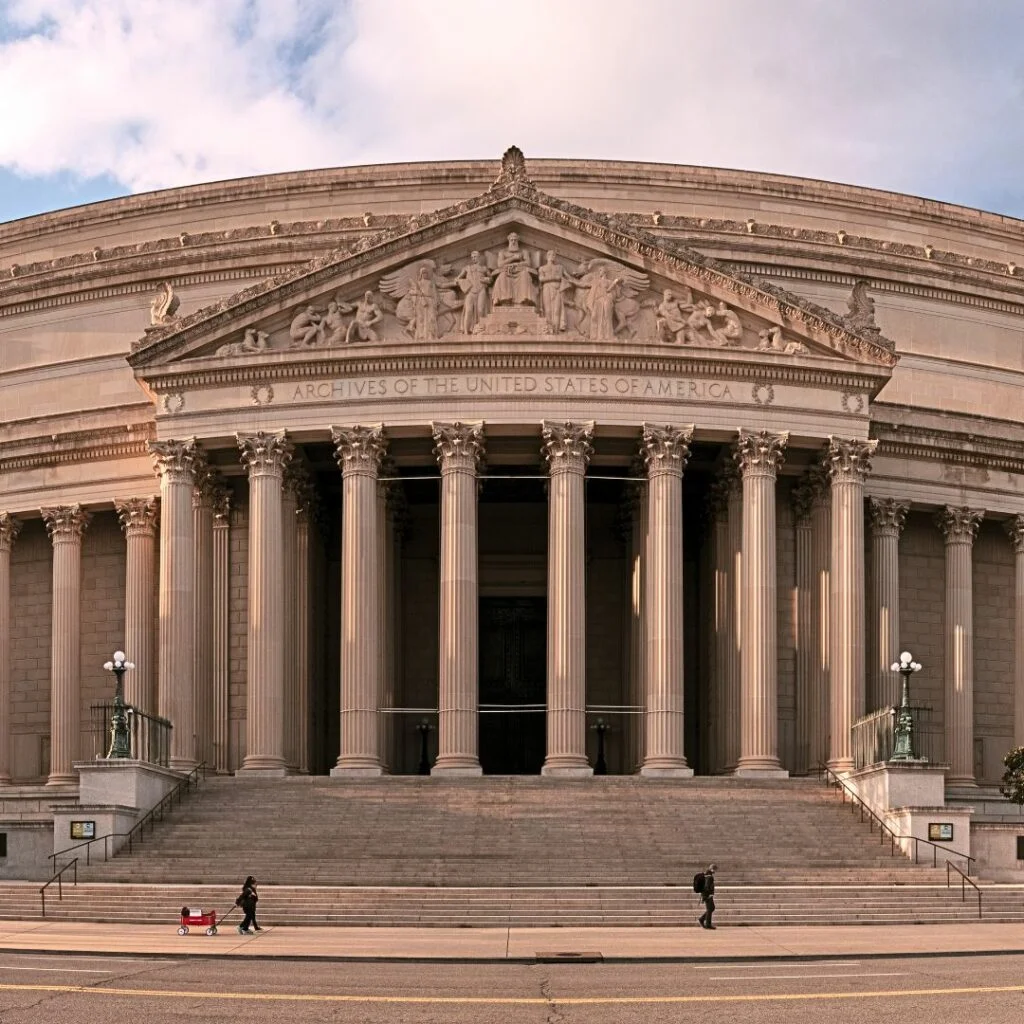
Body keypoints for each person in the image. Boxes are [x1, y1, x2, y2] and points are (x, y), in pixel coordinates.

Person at [698, 863, 717, 929]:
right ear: (712, 869)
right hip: (708, 895)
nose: (715, 871)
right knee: (710, 908)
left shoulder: (706, 874)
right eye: (714, 870)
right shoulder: (709, 876)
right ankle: (708, 924)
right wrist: (709, 894)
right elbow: (707, 886)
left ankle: (702, 919)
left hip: (706, 894)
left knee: (711, 908)